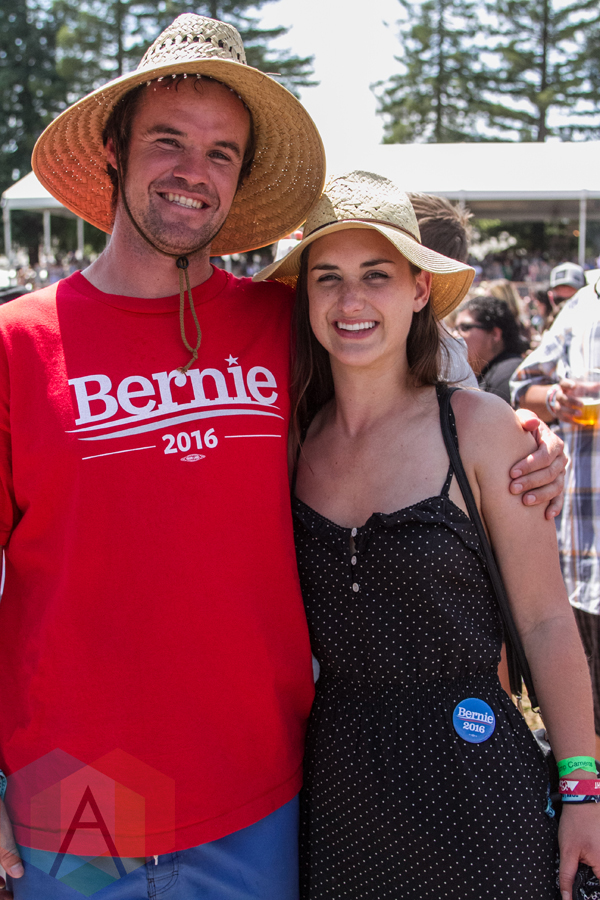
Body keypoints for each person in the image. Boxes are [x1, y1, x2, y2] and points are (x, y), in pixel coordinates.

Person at [0, 23, 567, 900]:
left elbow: (420, 404)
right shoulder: (16, 346)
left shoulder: (284, 324)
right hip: (75, 805)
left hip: (262, 802)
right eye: (168, 140)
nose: (193, 170)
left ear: (240, 178)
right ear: (114, 149)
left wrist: (528, 436)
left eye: (221, 152)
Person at [255, 170, 600, 900]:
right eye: (328, 277)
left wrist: (582, 788)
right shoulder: (289, 440)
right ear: (305, 295)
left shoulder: (477, 427)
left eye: (376, 275)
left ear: (419, 290)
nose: (351, 301)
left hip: (479, 789)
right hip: (340, 799)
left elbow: (545, 620)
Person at [511, 276, 600, 765]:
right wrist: (555, 401)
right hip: (583, 552)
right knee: (589, 713)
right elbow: (523, 387)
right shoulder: (585, 304)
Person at [454, 295, 529, 403]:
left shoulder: (508, 375)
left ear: (495, 334)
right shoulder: (489, 373)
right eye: (455, 329)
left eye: (465, 328)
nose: (455, 335)